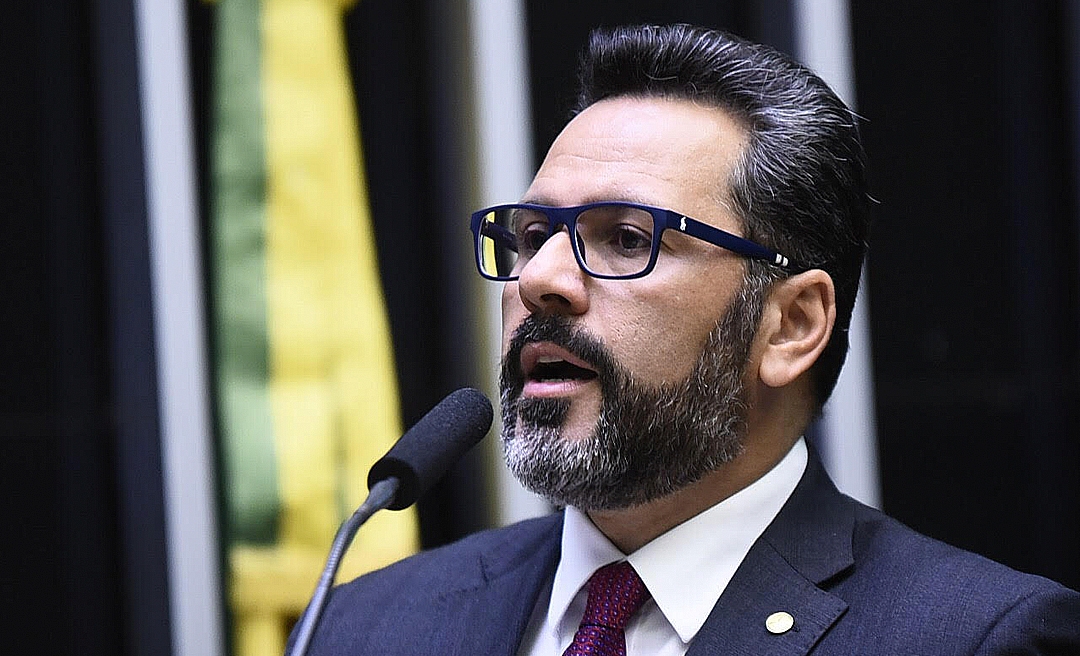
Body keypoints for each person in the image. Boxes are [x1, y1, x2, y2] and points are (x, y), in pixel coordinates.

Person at [303, 23, 1080, 655]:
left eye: (626, 238)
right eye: (533, 235)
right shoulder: (362, 628)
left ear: (791, 326)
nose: (539, 280)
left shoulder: (971, 637)